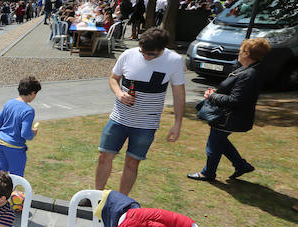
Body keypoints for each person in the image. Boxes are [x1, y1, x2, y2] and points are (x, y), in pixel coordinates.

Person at [95, 28, 185, 196]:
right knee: (104, 156)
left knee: (132, 163)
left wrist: (178, 123)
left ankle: (121, 201)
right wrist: (119, 93)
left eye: (151, 54)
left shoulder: (174, 60)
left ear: (162, 49)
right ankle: (95, 195)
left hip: (146, 124)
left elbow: (179, 92)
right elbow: (114, 78)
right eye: (143, 52)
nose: (146, 57)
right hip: (119, 118)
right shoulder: (129, 54)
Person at [187, 38, 270, 182]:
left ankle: (208, 173)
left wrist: (213, 96)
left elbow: (235, 101)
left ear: (247, 53)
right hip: (231, 116)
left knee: (213, 145)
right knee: (221, 142)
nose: (239, 52)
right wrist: (216, 94)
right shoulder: (249, 69)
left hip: (229, 118)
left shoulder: (249, 74)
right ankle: (242, 165)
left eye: (241, 50)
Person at [0, 76, 41, 177]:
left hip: (0, 142)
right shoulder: (28, 111)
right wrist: (33, 133)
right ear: (33, 93)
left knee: (2, 173)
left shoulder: (9, 103)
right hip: (14, 147)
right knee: (17, 177)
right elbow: (25, 134)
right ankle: (14, 193)